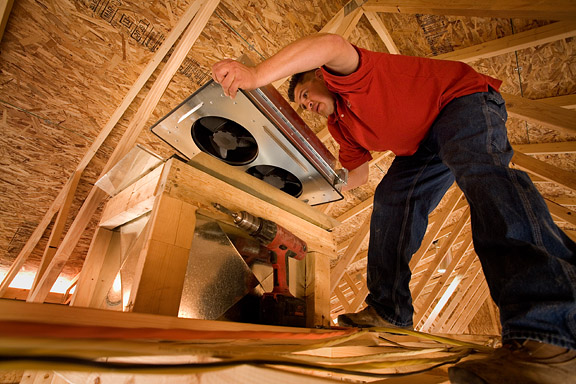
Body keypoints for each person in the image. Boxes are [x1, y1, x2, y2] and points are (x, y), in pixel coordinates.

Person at [212, 33, 576, 383]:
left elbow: (330, 45)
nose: (306, 104)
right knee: (391, 201)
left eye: (305, 93)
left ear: (321, 73)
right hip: (422, 148)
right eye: (303, 104)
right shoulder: (342, 128)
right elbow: (356, 175)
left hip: (461, 102)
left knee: (481, 173)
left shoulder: (352, 77)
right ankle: (389, 311)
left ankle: (553, 332)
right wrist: (304, 187)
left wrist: (256, 75)